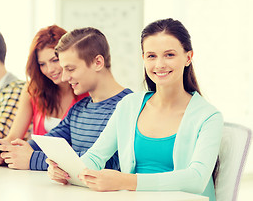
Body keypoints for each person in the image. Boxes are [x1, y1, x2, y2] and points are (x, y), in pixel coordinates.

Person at [48, 19, 223, 201]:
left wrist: (126, 181)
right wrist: (67, 171)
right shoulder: (129, 105)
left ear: (188, 57)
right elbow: (95, 156)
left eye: (169, 55)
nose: (160, 64)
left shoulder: (208, 117)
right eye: (151, 56)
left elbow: (196, 179)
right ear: (143, 59)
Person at [0, 27, 132, 170]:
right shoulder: (79, 109)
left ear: (97, 63)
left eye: (70, 69)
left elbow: (110, 162)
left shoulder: (130, 106)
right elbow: (48, 142)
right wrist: (9, 152)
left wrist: (32, 159)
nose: (64, 77)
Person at [0, 25, 88, 162]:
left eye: (54, 60)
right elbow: (13, 138)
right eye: (42, 64)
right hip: (33, 171)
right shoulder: (34, 90)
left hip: (66, 172)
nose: (50, 69)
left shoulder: (86, 92)